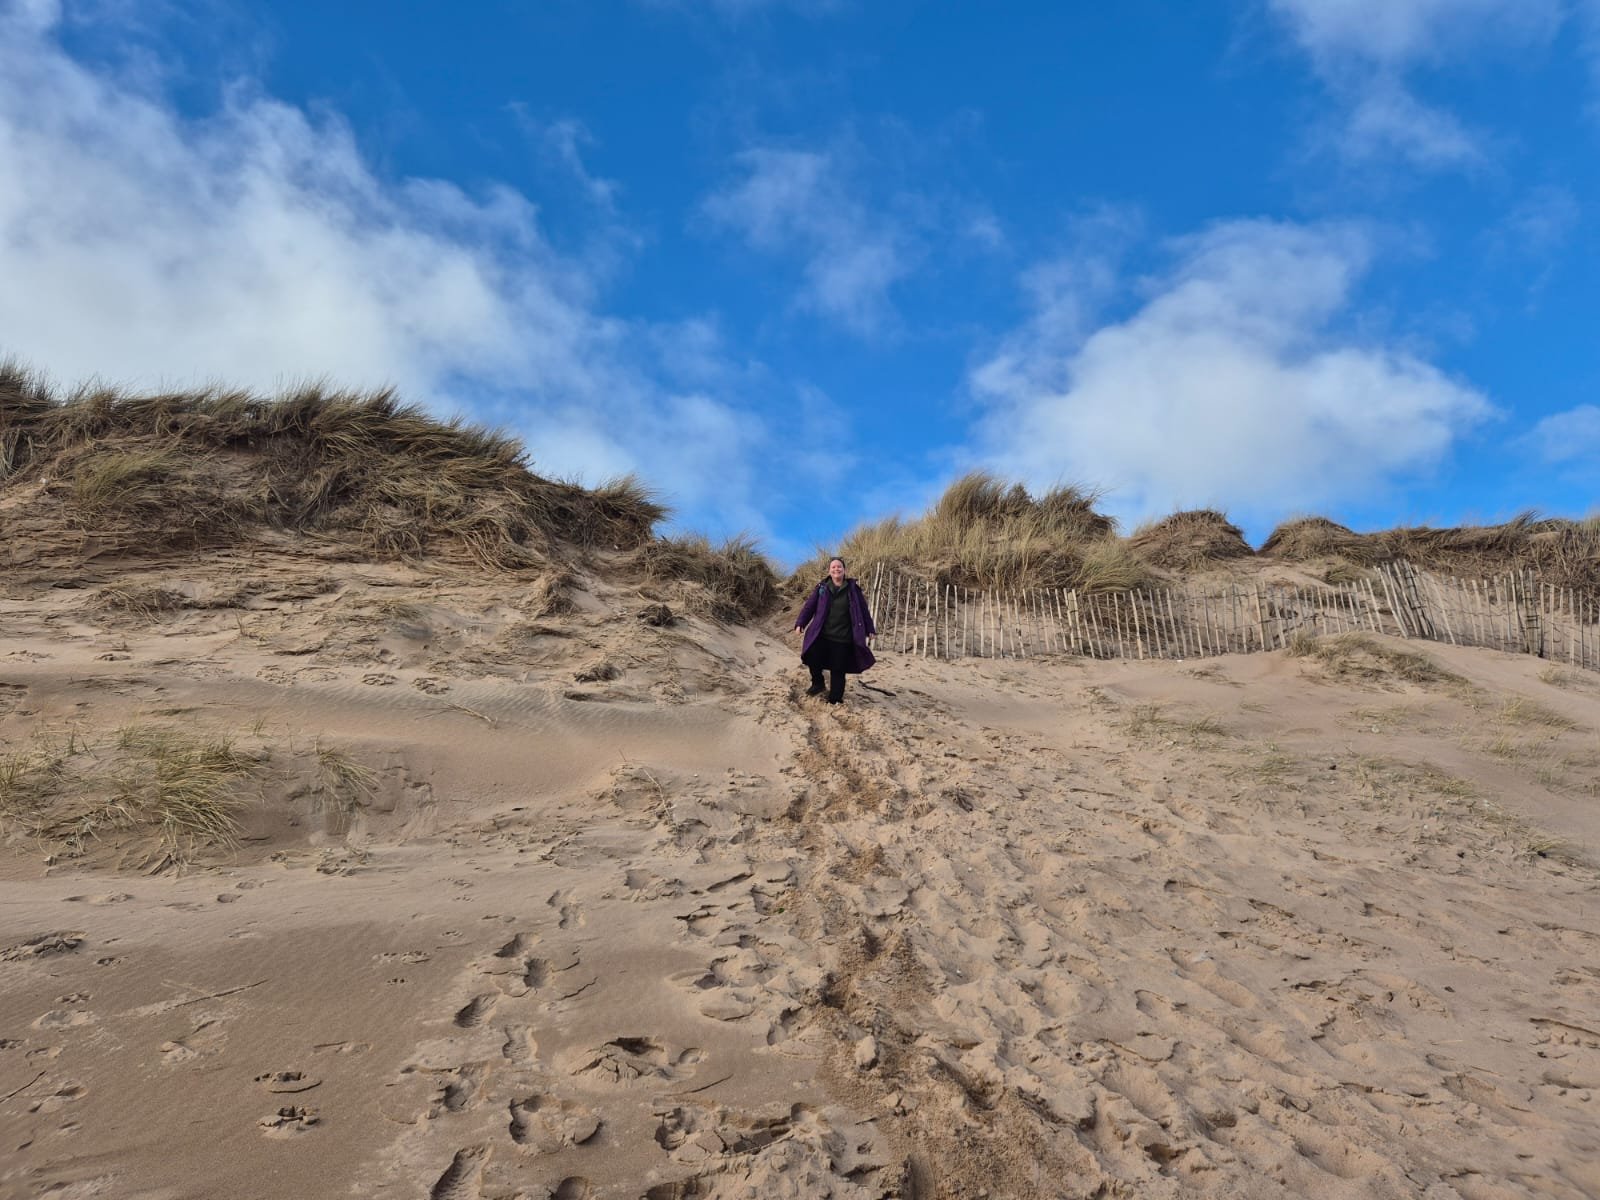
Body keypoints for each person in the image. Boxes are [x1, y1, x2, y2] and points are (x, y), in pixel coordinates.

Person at [793, 557, 876, 704]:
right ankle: (818, 683)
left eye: (839, 567)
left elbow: (863, 610)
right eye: (833, 567)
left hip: (843, 638)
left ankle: (835, 699)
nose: (836, 569)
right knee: (811, 656)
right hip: (822, 634)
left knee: (838, 669)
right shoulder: (822, 588)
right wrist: (801, 623)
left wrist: (870, 628)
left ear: (844, 570)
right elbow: (809, 607)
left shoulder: (853, 590)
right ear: (829, 571)